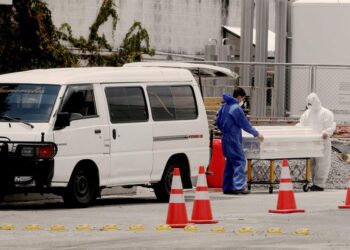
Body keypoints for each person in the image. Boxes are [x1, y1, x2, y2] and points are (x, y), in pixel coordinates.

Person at [216, 87, 264, 195]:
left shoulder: (224, 107)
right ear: (239, 97)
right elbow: (245, 124)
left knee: (229, 162)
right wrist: (256, 134)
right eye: (242, 98)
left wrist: (225, 129)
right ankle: (238, 186)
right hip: (233, 138)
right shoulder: (236, 108)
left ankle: (228, 187)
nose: (242, 100)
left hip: (225, 137)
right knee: (239, 160)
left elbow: (217, 122)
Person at [296, 92, 336, 191]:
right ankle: (314, 183)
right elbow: (302, 124)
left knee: (322, 163)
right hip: (311, 141)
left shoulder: (325, 113)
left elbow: (331, 126)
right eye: (308, 103)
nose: (309, 105)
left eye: (310, 103)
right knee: (312, 163)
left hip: (322, 142)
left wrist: (327, 132)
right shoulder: (307, 113)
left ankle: (320, 184)